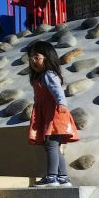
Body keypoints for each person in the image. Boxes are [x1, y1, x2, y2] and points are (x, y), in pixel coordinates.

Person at [27, 41, 79, 187]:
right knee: (53, 146)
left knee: (50, 145)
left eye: (36, 57)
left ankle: (52, 177)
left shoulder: (49, 75)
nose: (32, 61)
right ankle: (62, 177)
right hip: (47, 114)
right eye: (30, 58)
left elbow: (58, 90)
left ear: (48, 58)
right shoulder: (40, 77)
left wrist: (62, 104)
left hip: (55, 114)